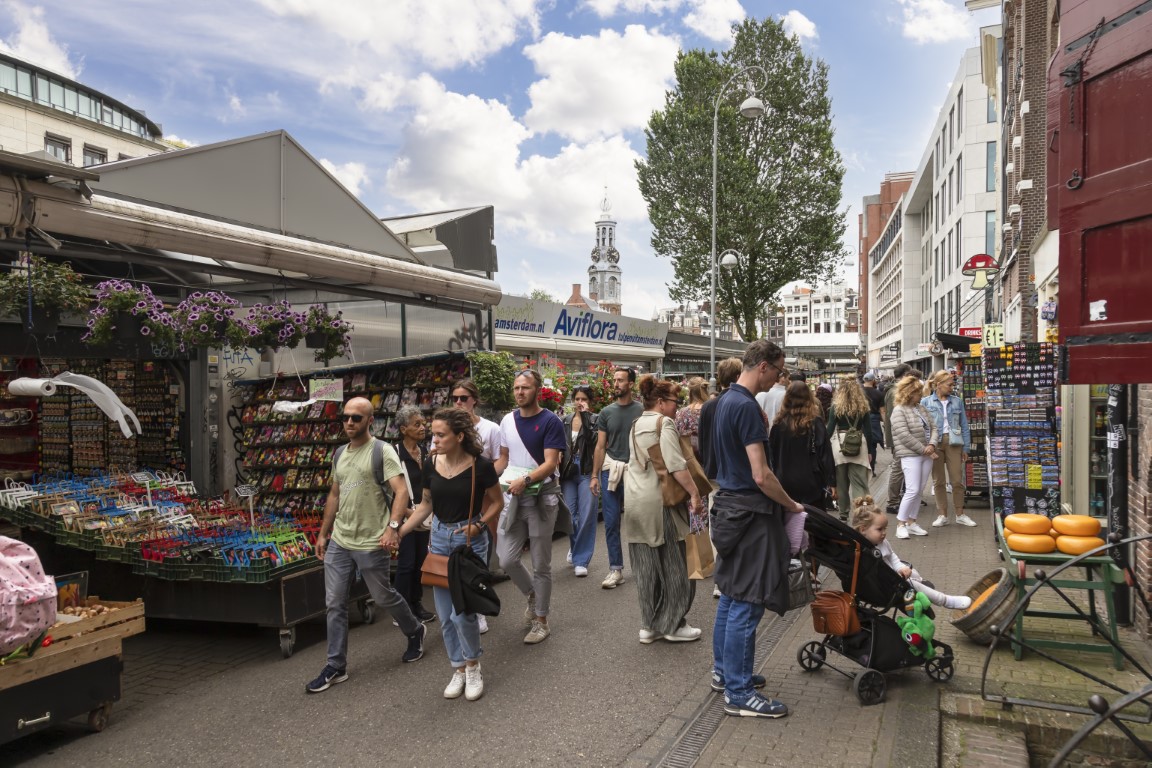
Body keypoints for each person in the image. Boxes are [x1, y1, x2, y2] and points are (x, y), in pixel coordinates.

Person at [709, 340, 803, 719]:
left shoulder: (724, 401)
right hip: (750, 514)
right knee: (746, 604)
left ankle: (725, 673)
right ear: (763, 366)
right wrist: (792, 505)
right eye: (778, 370)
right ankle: (739, 692)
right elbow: (761, 475)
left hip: (729, 510)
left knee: (731, 597)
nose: (780, 377)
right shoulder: (747, 407)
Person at [307, 397, 426, 694]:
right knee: (334, 602)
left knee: (383, 596)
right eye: (346, 417)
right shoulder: (339, 454)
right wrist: (324, 533)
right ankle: (336, 665)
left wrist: (392, 528)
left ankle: (414, 630)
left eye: (356, 418)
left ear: (369, 421)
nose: (349, 422)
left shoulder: (382, 451)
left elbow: (400, 492)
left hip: (372, 540)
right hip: (341, 540)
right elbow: (334, 494)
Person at [397, 408, 505, 701]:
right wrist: (399, 532)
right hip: (440, 538)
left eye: (440, 434)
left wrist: (479, 525)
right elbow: (425, 505)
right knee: (445, 616)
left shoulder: (480, 466)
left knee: (463, 613)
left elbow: (497, 502)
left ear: (459, 436)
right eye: (433, 433)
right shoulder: (431, 463)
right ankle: (457, 668)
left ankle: (473, 666)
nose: (434, 439)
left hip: (469, 542)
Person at [625, 375, 703, 644]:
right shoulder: (663, 423)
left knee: (646, 568)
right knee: (677, 565)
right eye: (674, 401)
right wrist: (695, 494)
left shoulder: (635, 423)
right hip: (662, 504)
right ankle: (674, 624)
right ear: (660, 402)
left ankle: (649, 624)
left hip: (635, 502)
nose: (677, 406)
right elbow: (676, 465)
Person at [497, 369, 569, 644]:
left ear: (537, 390)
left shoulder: (550, 421)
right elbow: (504, 457)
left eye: (525, 388)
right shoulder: (507, 420)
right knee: (506, 558)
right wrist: (488, 478)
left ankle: (541, 620)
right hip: (513, 497)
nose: (519, 392)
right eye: (516, 388)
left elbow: (551, 463)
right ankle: (531, 594)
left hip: (542, 498)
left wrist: (525, 480)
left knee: (541, 564)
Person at [450, 378, 506, 633]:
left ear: (474, 400)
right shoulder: (447, 427)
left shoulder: (491, 428)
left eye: (464, 398)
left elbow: (499, 460)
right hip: (455, 499)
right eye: (455, 398)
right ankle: (462, 605)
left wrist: (483, 482)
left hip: (482, 496)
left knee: (479, 550)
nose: (459, 403)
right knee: (457, 549)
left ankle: (479, 606)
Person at [851, 496, 971, 609]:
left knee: (912, 571)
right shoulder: (861, 551)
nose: (884, 532)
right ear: (863, 529)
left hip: (892, 577)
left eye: (885, 528)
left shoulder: (882, 542)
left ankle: (921, 583)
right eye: (879, 529)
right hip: (881, 587)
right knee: (912, 583)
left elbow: (892, 557)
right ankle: (945, 600)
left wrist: (901, 568)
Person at [589, 367, 643, 589]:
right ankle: (616, 569)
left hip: (636, 472)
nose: (616, 384)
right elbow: (600, 446)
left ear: (631, 384)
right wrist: (594, 475)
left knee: (637, 521)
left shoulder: (641, 410)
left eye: (621, 380)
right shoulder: (606, 413)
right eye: (615, 380)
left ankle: (642, 568)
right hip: (610, 471)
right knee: (611, 523)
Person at [768, 381, 836, 543]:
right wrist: (832, 482)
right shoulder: (815, 422)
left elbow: (771, 454)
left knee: (787, 522)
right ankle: (814, 560)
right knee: (815, 525)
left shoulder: (778, 425)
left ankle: (792, 557)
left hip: (784, 482)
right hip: (811, 481)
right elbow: (825, 454)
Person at [698, 358, 742, 600]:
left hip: (714, 472)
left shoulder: (708, 407)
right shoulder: (740, 402)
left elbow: (703, 441)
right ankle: (732, 575)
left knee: (717, 522)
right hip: (733, 473)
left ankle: (720, 577)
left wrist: (708, 466)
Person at [392, 405, 435, 623]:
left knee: (421, 561)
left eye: (422, 423)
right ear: (403, 429)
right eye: (416, 424)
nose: (422, 427)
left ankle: (416, 603)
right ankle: (401, 609)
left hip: (424, 514)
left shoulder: (425, 452)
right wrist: (410, 512)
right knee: (406, 563)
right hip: (403, 515)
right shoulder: (394, 454)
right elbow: (390, 491)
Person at [922, 370, 976, 528]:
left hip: (954, 442)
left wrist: (966, 447)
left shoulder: (957, 401)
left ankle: (960, 514)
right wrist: (927, 446)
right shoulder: (926, 402)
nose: (952, 387)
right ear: (938, 385)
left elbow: (964, 425)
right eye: (949, 384)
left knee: (957, 480)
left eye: (953, 384)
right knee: (939, 481)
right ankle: (942, 515)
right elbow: (923, 427)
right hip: (935, 443)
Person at [890, 376, 939, 540]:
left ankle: (912, 522)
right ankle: (900, 524)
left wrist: (931, 444)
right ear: (910, 393)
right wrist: (925, 448)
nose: (921, 395)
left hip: (925, 454)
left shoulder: (921, 408)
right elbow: (903, 435)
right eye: (918, 393)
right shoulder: (898, 411)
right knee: (912, 489)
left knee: (919, 489)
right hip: (911, 455)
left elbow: (933, 427)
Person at [561, 385, 598, 577]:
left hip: (586, 470)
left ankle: (581, 560)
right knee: (570, 514)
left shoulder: (594, 420)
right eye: (577, 399)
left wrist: (585, 417)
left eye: (583, 399)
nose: (580, 402)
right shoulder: (565, 421)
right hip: (568, 472)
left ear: (589, 401)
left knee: (587, 515)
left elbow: (595, 443)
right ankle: (576, 548)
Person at [826, 374, 872, 521]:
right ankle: (862, 512)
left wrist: (824, 449)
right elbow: (869, 431)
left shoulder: (836, 407)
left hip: (840, 446)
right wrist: (870, 451)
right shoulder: (863, 406)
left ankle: (843, 513)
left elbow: (830, 429)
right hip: (859, 445)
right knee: (860, 483)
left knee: (841, 483)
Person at [882, 363, 912, 514]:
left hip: (900, 437)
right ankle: (892, 501)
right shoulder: (895, 392)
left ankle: (898, 498)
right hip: (899, 438)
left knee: (901, 468)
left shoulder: (897, 390)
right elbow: (893, 417)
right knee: (898, 469)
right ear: (905, 376)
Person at [674, 376, 709, 464]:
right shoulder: (713, 410)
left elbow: (677, 436)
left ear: (690, 392)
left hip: (691, 462)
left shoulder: (682, 413)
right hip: (712, 461)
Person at [862, 372, 885, 475]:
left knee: (861, 443)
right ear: (873, 381)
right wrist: (885, 423)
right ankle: (871, 469)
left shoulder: (858, 392)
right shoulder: (879, 393)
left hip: (861, 419)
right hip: (874, 420)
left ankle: (863, 468)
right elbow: (882, 411)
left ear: (864, 380)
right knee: (872, 445)